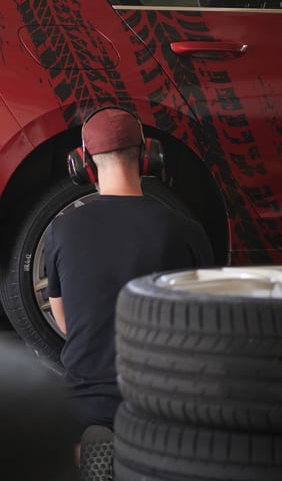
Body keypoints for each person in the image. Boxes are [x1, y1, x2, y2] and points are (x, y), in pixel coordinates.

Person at [44, 106, 215, 456]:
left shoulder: (62, 229)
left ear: (83, 165)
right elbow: (204, 325)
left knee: (69, 443)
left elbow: (65, 322)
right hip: (162, 399)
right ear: (149, 157)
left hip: (86, 400)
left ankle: (91, 448)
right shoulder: (186, 231)